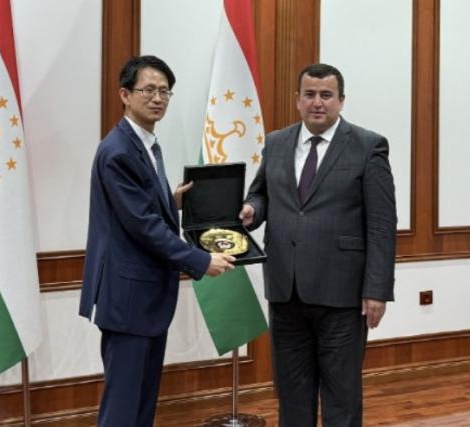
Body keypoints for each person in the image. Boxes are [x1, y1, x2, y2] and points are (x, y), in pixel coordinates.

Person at [79, 55, 235, 427]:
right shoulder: (118, 151)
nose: (157, 98)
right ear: (124, 94)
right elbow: (144, 226)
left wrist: (172, 200)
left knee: (142, 404)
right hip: (129, 298)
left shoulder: (146, 143)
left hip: (145, 295)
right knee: (122, 409)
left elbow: (141, 207)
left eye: (164, 91)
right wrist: (200, 260)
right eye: (148, 90)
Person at [239, 63, 396, 426]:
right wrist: (252, 209)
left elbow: (382, 224)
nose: (317, 102)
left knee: (341, 398)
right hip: (285, 290)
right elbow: (261, 194)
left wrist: (377, 290)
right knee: (292, 395)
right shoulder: (276, 142)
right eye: (309, 94)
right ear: (297, 100)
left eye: (326, 95)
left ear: (341, 101)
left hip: (342, 295)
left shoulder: (368, 146)